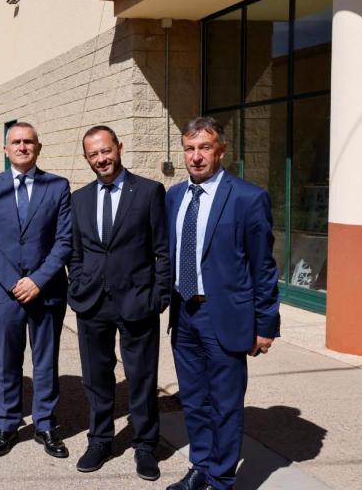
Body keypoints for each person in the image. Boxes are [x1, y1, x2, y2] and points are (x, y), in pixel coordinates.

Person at [165, 117, 280, 490]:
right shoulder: (174, 197)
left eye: (205, 148)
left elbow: (263, 267)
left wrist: (265, 325)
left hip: (223, 316)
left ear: (221, 151)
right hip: (183, 314)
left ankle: (222, 478)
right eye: (189, 148)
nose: (196, 157)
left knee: (226, 404)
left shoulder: (248, 197)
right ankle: (200, 467)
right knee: (194, 400)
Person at [68, 125, 171, 480]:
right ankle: (100, 439)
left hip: (138, 301)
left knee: (141, 377)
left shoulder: (147, 192)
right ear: (87, 158)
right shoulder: (78, 198)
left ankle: (145, 445)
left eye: (105, 151)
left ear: (119, 148)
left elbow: (163, 251)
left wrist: (159, 296)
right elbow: (76, 252)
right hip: (92, 302)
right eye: (93, 154)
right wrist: (76, 285)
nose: (101, 159)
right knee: (96, 378)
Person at [0, 122, 72, 460]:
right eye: (15, 142)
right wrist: (15, 282)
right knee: (8, 360)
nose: (22, 147)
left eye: (28, 142)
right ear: (5, 149)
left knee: (45, 360)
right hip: (5, 291)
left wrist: (38, 280)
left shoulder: (58, 186)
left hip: (46, 290)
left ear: (38, 147)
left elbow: (64, 241)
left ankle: (45, 423)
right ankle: (7, 422)